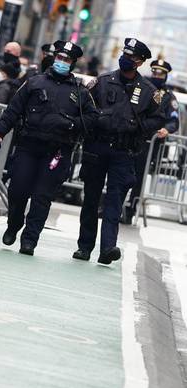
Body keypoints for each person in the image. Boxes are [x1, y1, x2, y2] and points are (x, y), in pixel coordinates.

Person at [0, 41, 98, 255]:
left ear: (73, 63)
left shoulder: (80, 92)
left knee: (42, 197)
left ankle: (29, 240)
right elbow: (13, 110)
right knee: (17, 190)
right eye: (59, 58)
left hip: (57, 152)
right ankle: (14, 224)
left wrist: (73, 124)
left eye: (66, 60)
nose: (61, 62)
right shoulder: (34, 82)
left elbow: (93, 119)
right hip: (28, 146)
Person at [73, 38, 166, 264]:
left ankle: (108, 248)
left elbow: (158, 119)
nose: (126, 58)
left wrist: (138, 127)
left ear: (141, 62)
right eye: (125, 53)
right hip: (98, 147)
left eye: (132, 57)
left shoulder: (148, 91)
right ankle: (85, 247)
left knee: (114, 202)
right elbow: (83, 107)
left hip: (124, 152)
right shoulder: (102, 82)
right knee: (91, 199)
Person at [122, 58, 180, 224]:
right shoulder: (141, 88)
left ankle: (130, 210)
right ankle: (112, 206)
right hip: (131, 137)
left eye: (160, 73)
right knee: (120, 172)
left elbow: (173, 119)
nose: (156, 75)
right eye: (154, 71)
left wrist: (166, 129)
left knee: (138, 177)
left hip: (149, 144)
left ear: (166, 76)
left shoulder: (168, 97)